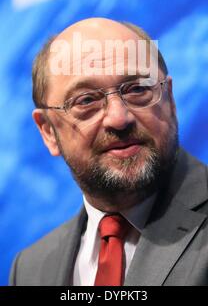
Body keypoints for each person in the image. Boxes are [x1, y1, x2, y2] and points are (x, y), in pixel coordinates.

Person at [10, 18, 208, 286]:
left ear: (170, 101)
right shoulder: (30, 269)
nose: (118, 118)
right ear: (47, 131)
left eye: (138, 88)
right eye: (86, 100)